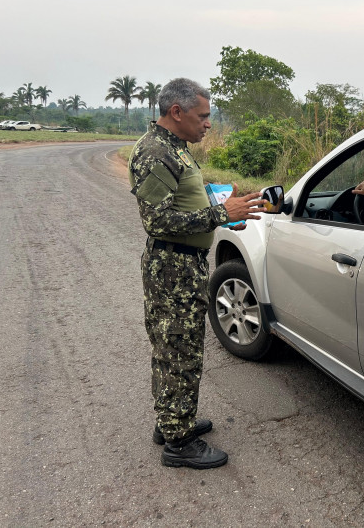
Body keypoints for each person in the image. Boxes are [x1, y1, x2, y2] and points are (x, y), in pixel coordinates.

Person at [128, 78, 266, 469]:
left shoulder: (176, 148)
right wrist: (223, 214)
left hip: (184, 262)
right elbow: (157, 220)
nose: (208, 123)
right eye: (203, 116)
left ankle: (172, 422)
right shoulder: (155, 151)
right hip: (172, 266)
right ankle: (179, 443)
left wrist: (217, 200)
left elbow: (180, 199)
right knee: (178, 351)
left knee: (178, 348)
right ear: (177, 112)